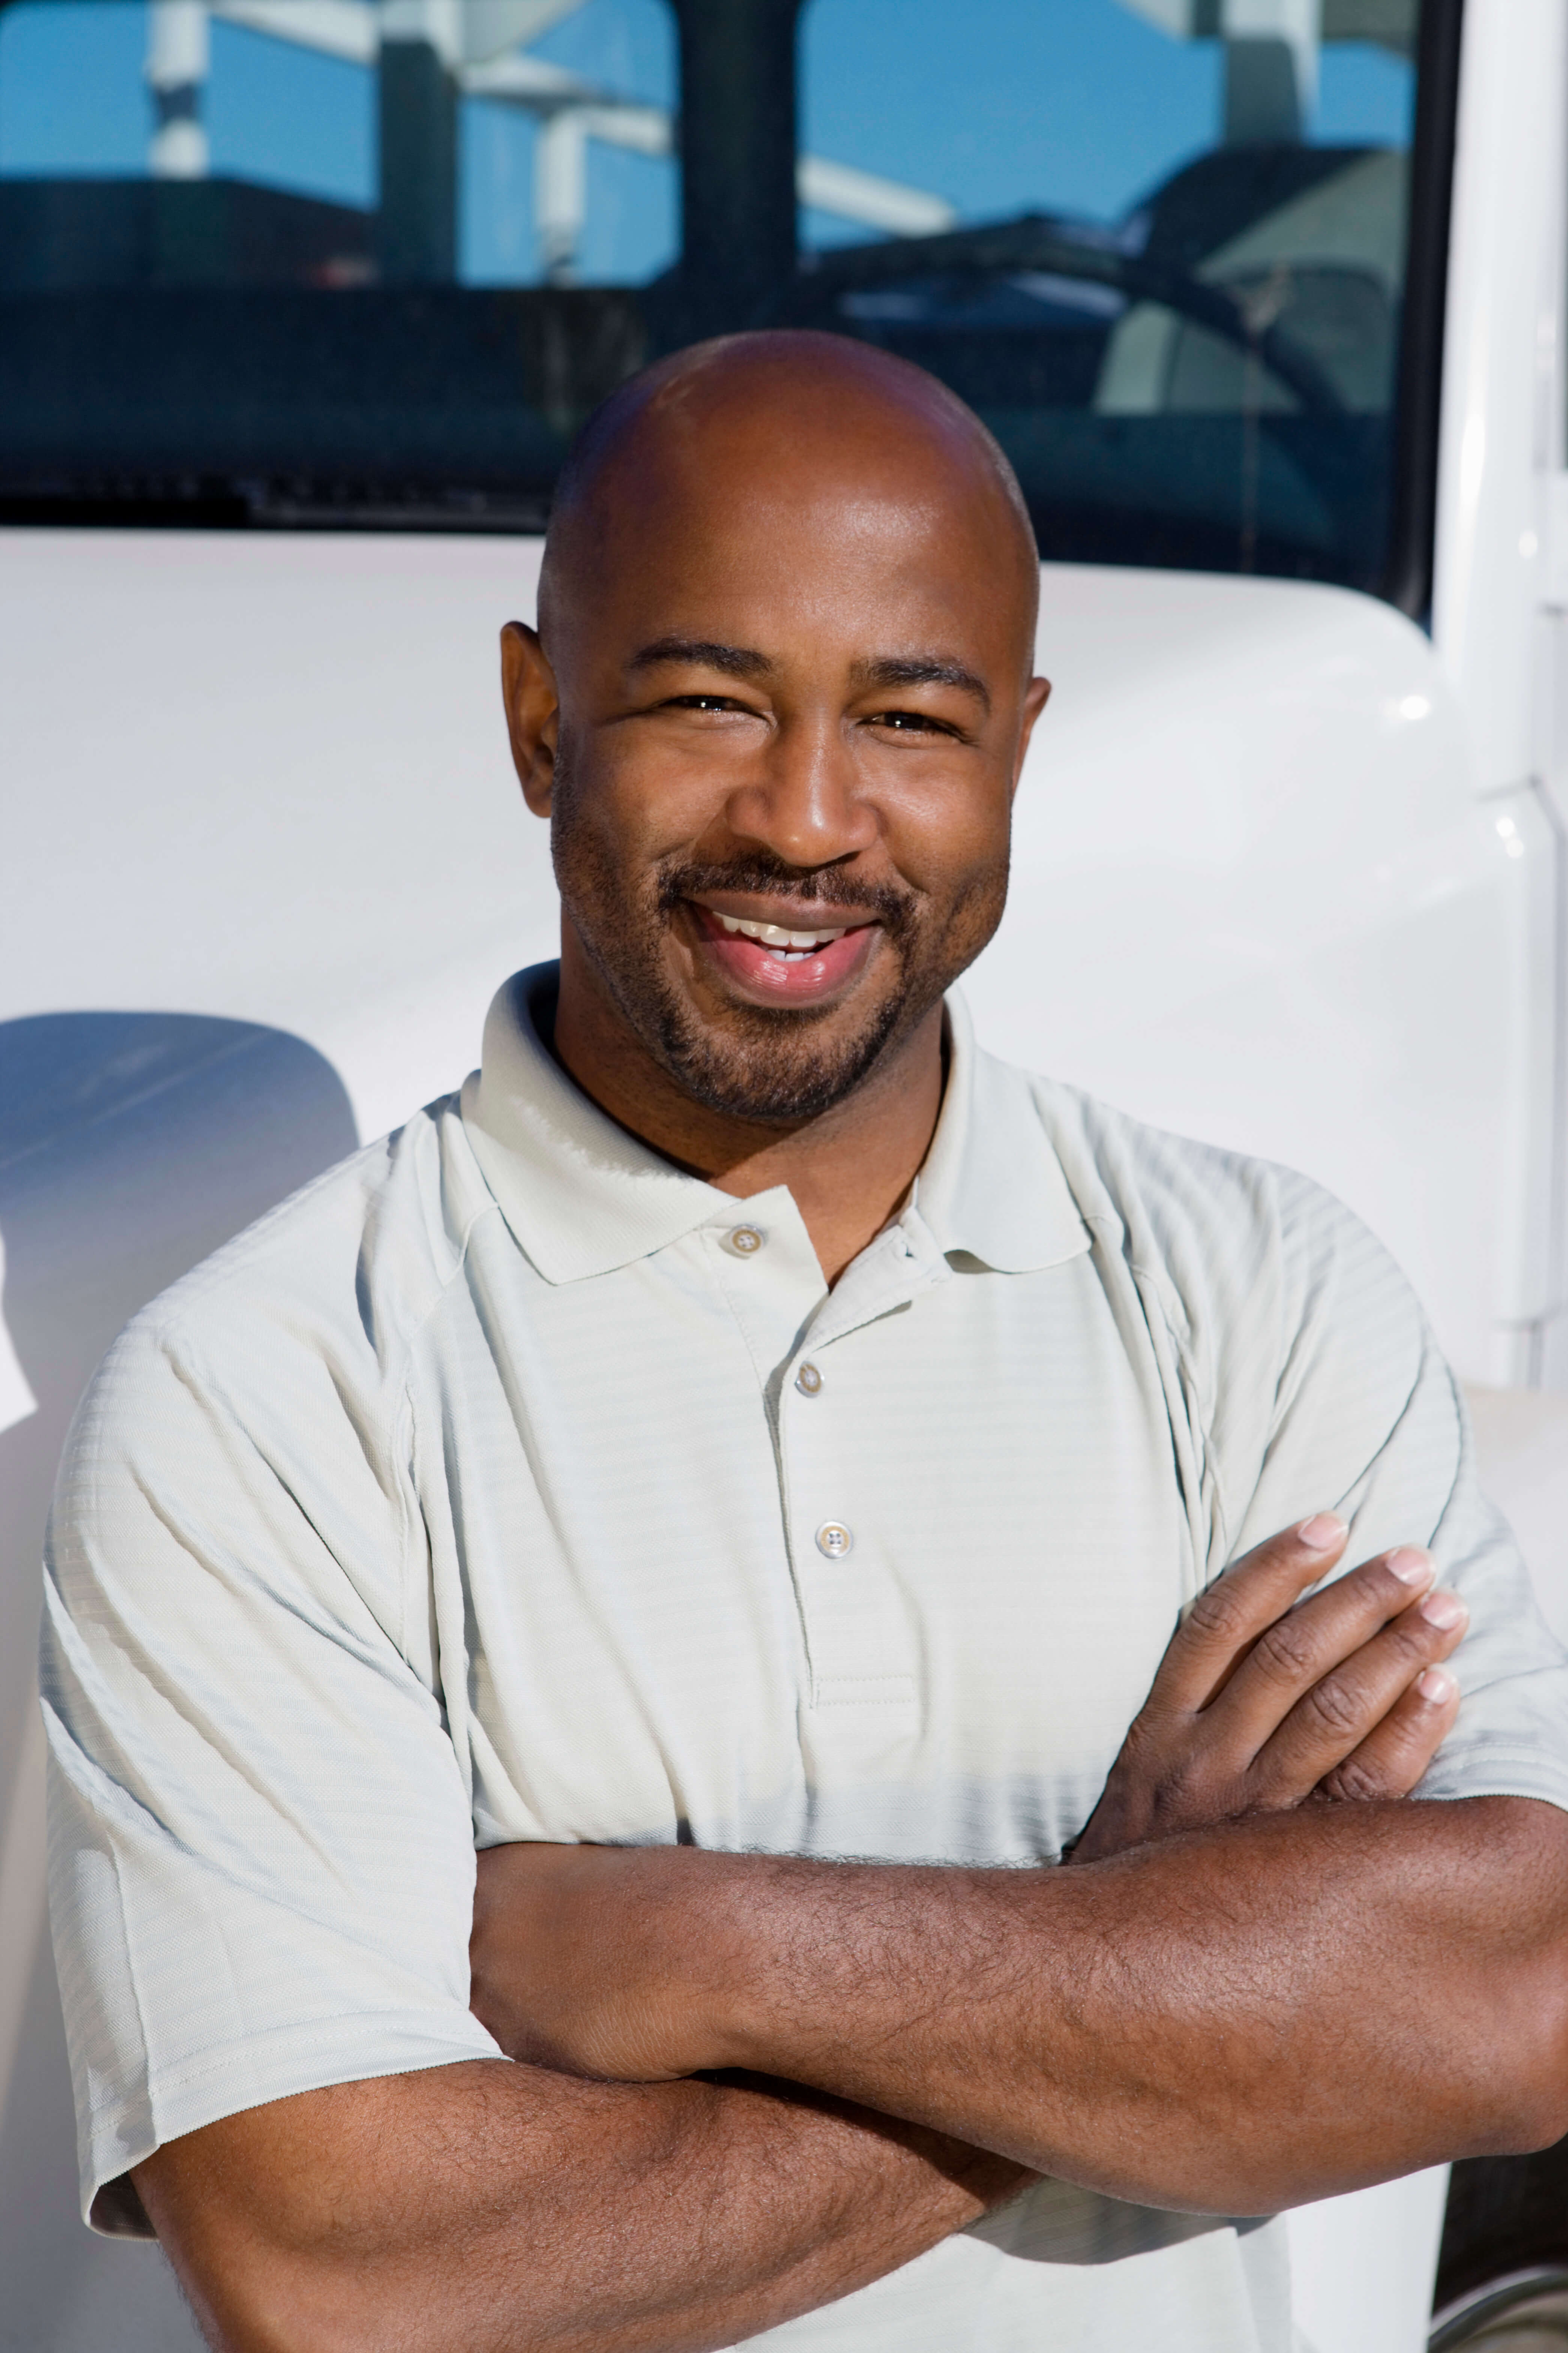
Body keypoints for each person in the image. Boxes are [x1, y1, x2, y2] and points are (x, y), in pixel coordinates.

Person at [42, 332, 1568, 2353]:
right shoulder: (272, 1391)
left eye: (911, 722)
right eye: (705, 703)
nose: (809, 820)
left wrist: (700, 1946)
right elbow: (349, 2275)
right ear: (535, 720)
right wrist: (1144, 1961)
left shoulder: (1262, 1290)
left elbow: (1514, 1996)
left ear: (1016, 747)